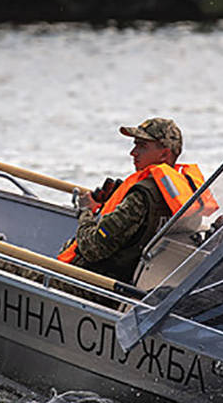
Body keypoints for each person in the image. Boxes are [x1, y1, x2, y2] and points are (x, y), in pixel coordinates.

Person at [56, 117, 205, 284]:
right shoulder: (189, 198)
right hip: (142, 283)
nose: (133, 152)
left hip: (100, 285)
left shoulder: (141, 196)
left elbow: (92, 248)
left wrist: (86, 211)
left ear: (164, 153)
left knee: (22, 270)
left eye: (142, 146)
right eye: (135, 145)